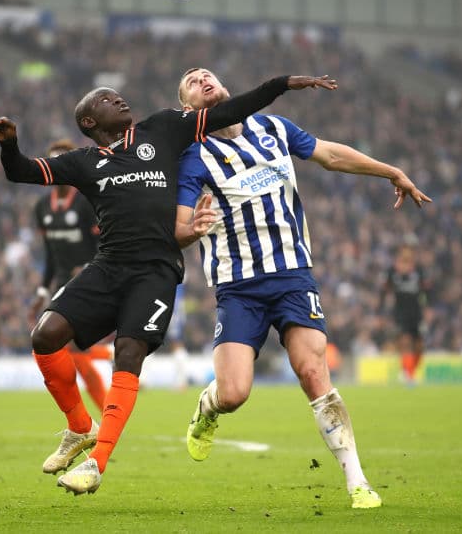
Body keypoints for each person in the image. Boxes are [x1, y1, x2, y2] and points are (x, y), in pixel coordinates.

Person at [0, 72, 337, 495]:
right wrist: (8, 144)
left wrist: (281, 84)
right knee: (45, 335)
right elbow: (21, 172)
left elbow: (231, 109)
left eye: (118, 95)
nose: (120, 100)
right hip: (108, 266)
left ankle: (96, 463)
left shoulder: (163, 128)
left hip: (156, 271)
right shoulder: (83, 163)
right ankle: (79, 427)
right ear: (90, 123)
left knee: (127, 352)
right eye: (108, 100)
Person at [174, 67, 431, 509]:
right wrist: (191, 230)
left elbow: (330, 154)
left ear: (227, 87)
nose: (203, 79)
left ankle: (357, 481)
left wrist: (391, 171)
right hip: (238, 287)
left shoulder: (272, 127)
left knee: (313, 372)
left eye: (207, 74)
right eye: (193, 81)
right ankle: (208, 409)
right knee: (234, 393)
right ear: (188, 108)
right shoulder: (193, 157)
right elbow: (179, 228)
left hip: (293, 275)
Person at [31, 138, 111, 412]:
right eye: (53, 162)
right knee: (72, 352)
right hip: (62, 286)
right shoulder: (42, 208)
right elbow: (50, 253)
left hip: (89, 283)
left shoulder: (87, 202)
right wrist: (42, 291)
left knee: (72, 350)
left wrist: (89, 266)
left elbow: (105, 243)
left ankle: (95, 419)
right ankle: (108, 363)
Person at [381, 245, 429, 384]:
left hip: (416, 312)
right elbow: (384, 290)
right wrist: (381, 311)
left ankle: (411, 371)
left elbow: (427, 290)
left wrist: (429, 308)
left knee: (419, 346)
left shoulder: (418, 271)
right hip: (400, 312)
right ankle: (407, 373)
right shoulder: (392, 272)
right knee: (405, 342)